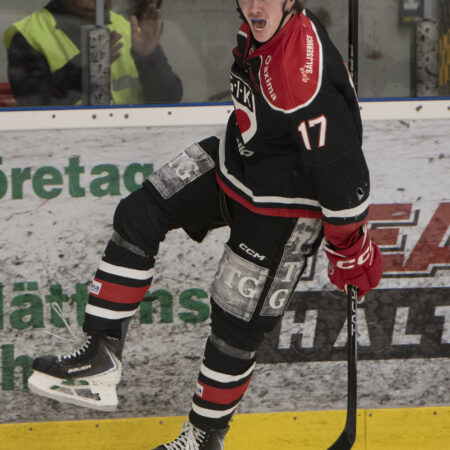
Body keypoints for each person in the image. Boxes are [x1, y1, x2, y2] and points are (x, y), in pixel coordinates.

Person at [27, 1, 383, 448]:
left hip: (285, 205)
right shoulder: (264, 27)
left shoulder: (302, 76)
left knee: (235, 325)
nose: (255, 6)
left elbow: (343, 172)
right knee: (140, 213)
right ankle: (100, 355)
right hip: (239, 163)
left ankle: (202, 437)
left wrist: (350, 246)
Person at [3, 0, 182, 106]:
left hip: (138, 143)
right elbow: (34, 104)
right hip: (68, 150)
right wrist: (86, 68)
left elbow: (169, 100)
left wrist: (150, 58)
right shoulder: (28, 33)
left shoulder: (128, 27)